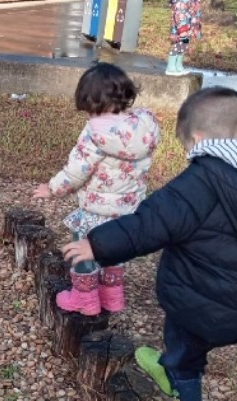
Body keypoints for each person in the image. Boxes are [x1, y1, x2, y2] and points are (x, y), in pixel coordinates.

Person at [62, 87, 237, 401]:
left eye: (189, 148)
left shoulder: (202, 181)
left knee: (187, 351)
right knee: (194, 339)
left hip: (201, 304)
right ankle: (169, 364)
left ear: (198, 139)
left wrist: (96, 244)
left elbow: (149, 224)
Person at [34, 63, 161, 315]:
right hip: (128, 211)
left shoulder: (96, 133)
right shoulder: (143, 126)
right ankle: (112, 296)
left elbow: (76, 171)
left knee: (83, 251)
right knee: (114, 250)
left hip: (96, 208)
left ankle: (85, 298)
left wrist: (52, 188)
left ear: (91, 101)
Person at [166, 0, 204, 76]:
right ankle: (171, 67)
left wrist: (195, 27)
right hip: (181, 27)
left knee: (184, 45)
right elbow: (179, 14)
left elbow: (195, 12)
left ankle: (178, 65)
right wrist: (182, 29)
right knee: (178, 45)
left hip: (189, 26)